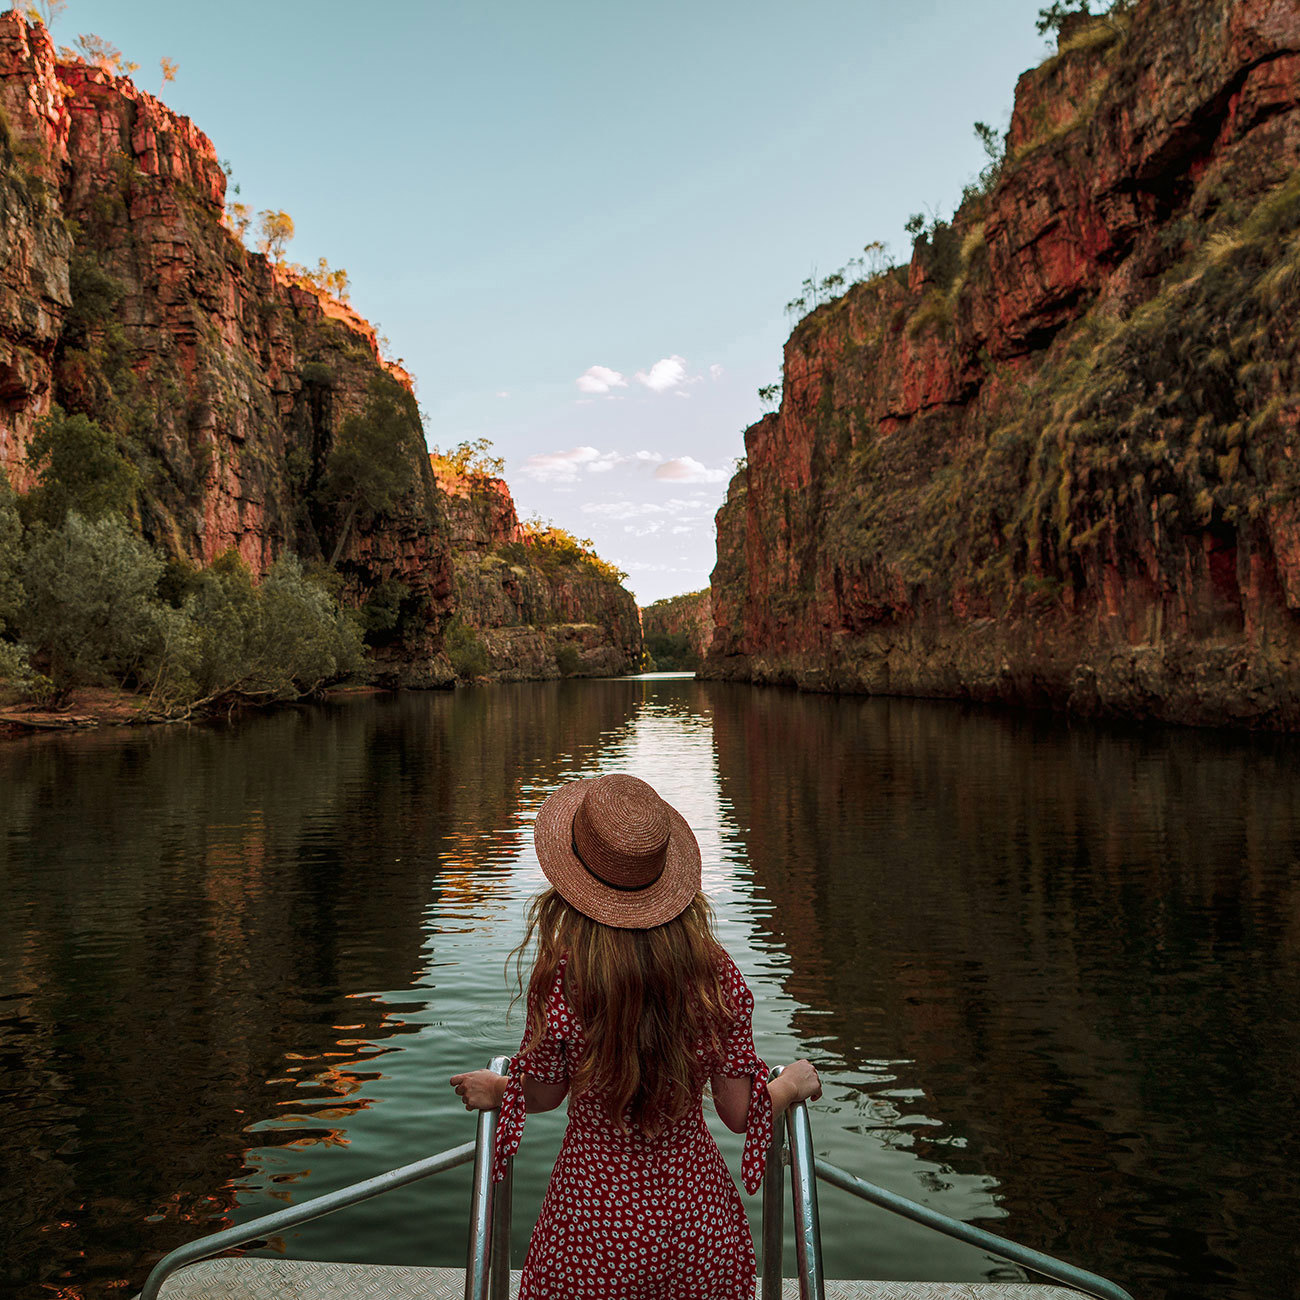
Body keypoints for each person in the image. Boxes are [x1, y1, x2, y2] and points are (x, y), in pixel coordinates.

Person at [450, 772, 822, 1300]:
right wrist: (786, 1087)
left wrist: (501, 1089)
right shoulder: (715, 976)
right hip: (698, 1224)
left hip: (591, 1226)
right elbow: (740, 1113)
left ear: (572, 884)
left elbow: (548, 1092)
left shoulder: (561, 977)